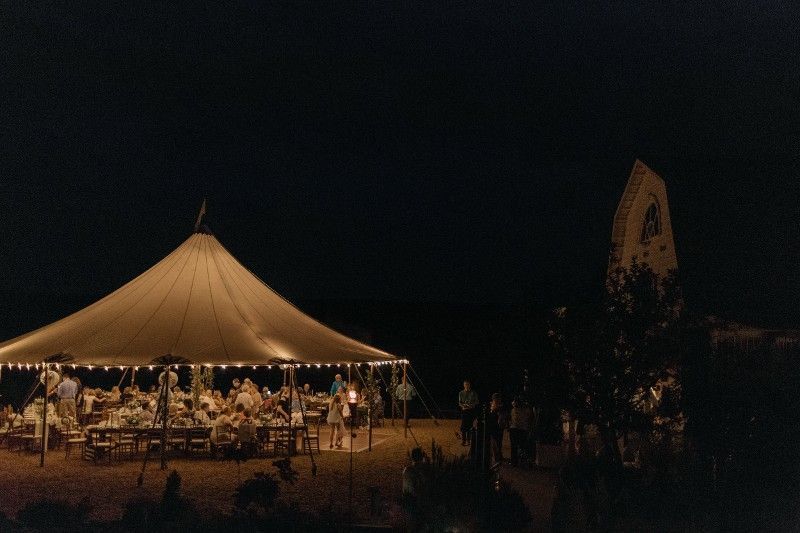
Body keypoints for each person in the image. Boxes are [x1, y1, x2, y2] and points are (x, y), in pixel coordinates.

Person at [509, 397, 534, 466]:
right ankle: (522, 460)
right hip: (523, 429)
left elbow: (512, 419)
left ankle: (514, 461)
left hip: (515, 429)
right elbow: (529, 419)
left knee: (514, 446)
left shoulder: (514, 410)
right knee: (522, 445)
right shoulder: (526, 410)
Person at [486, 393, 508, 465]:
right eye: (497, 398)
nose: (498, 400)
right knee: (495, 442)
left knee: (498, 442)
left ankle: (498, 456)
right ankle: (496, 457)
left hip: (498, 426)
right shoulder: (494, 406)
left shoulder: (498, 406)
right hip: (494, 426)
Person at [458, 380, 479, 446]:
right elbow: (460, 402)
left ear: (469, 385)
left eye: (468, 384)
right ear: (464, 385)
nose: (466, 385)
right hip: (464, 411)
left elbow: (477, 401)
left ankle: (469, 440)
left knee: (470, 426)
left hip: (471, 411)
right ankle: (463, 440)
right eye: (465, 384)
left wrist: (471, 405)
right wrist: (463, 406)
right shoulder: (461, 393)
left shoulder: (473, 393)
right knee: (463, 426)